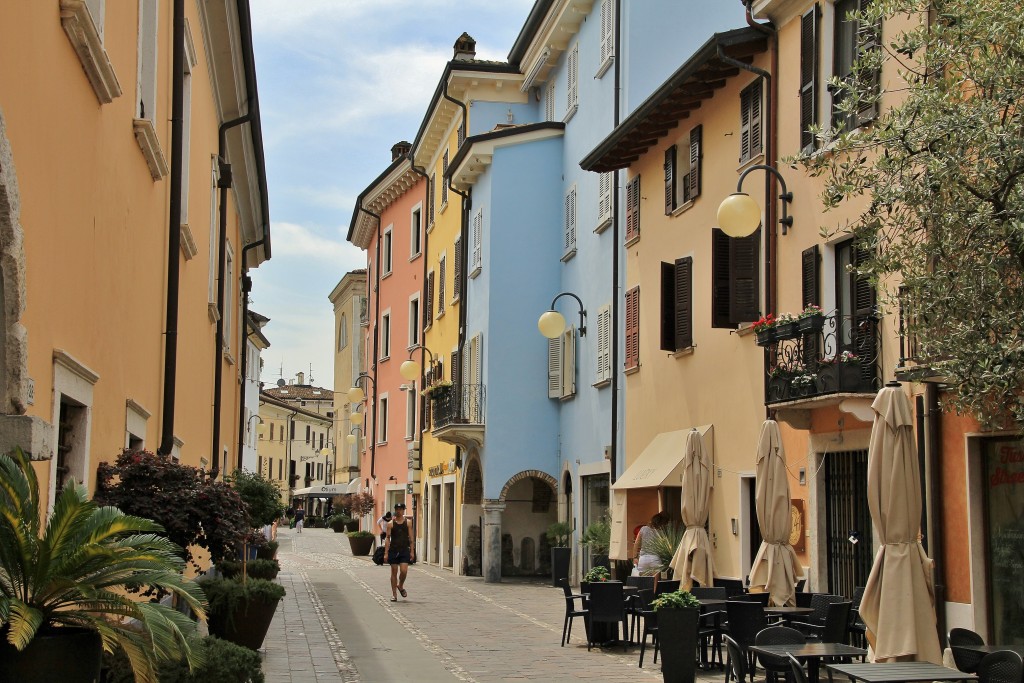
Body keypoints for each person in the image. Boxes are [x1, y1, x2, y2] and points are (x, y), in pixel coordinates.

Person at [384, 502, 414, 601]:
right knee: (394, 571)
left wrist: (412, 551)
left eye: (400, 509)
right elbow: (388, 538)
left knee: (404, 571)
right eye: (397, 509)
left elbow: (411, 538)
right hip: (394, 550)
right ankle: (394, 594)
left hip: (404, 550)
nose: (398, 511)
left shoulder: (408, 523)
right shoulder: (390, 524)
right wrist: (386, 553)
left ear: (403, 510)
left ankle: (400, 585)